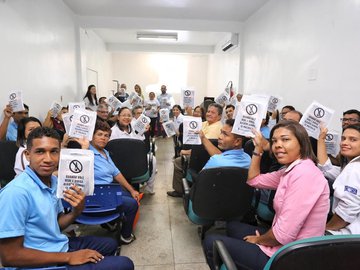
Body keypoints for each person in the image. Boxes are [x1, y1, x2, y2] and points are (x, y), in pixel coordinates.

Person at [0, 127, 134, 269]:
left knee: (111, 244)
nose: (48, 159)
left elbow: (56, 224)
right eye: (40, 152)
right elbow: (10, 257)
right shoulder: (16, 193)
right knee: (124, 264)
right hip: (38, 263)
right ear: (28, 155)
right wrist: (69, 257)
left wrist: (77, 211)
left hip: (56, 245)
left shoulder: (53, 181)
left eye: (54, 151)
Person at [203, 121, 330, 270]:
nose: (277, 145)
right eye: (274, 140)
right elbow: (253, 180)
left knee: (211, 241)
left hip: (291, 258)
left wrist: (258, 240)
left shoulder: (305, 175)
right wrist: (258, 148)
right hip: (284, 244)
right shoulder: (291, 170)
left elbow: (282, 236)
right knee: (232, 226)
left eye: (285, 139)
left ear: (302, 143)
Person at [90, 121, 139, 244]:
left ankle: (110, 223)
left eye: (106, 136)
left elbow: (116, 172)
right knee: (132, 204)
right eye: (99, 134)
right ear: (91, 136)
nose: (103, 138)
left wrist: (132, 189)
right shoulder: (87, 153)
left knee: (129, 195)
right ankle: (125, 236)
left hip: (107, 191)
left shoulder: (104, 152)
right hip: (95, 196)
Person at [167, 103, 223, 197]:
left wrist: (186, 152)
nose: (209, 114)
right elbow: (193, 125)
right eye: (208, 111)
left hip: (204, 159)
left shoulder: (216, 128)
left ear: (219, 116)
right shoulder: (206, 123)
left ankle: (180, 190)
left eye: (213, 112)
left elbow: (203, 149)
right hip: (199, 155)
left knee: (177, 161)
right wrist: (189, 113)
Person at [317, 124, 360, 235]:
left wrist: (326, 229)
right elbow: (326, 168)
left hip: (347, 235)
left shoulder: (354, 169)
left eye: (353, 140)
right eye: (343, 138)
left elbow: (347, 211)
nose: (345, 143)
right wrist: (321, 138)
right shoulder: (350, 167)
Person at [110, 107, 156, 194]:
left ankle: (149, 187)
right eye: (124, 115)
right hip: (119, 162)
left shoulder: (133, 129)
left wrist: (142, 132)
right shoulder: (112, 131)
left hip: (134, 158)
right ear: (118, 117)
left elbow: (138, 143)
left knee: (153, 159)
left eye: (129, 116)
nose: (126, 118)